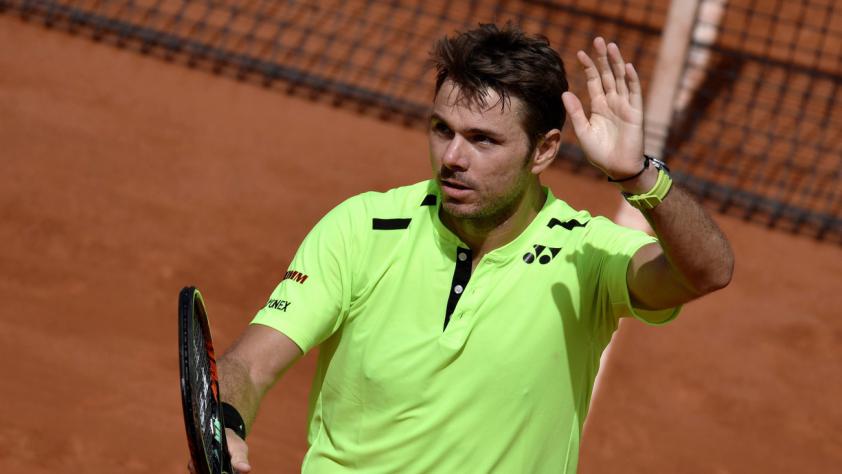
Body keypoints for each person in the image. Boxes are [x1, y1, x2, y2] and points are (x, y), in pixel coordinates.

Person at [192, 23, 734, 473]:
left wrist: (639, 177)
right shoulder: (361, 228)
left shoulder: (586, 255)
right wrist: (229, 425)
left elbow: (707, 271)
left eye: (483, 140)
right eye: (442, 129)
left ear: (543, 150)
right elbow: (250, 365)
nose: (453, 156)